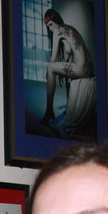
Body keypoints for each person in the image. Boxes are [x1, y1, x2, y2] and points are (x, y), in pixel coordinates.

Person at [40, 9, 96, 138]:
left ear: (56, 21)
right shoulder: (70, 28)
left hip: (81, 68)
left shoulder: (58, 30)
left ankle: (49, 111)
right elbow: (72, 55)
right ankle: (68, 108)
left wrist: (49, 72)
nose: (50, 29)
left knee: (50, 67)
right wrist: (63, 70)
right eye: (48, 26)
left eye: (51, 25)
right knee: (66, 73)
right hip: (88, 68)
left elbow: (53, 58)